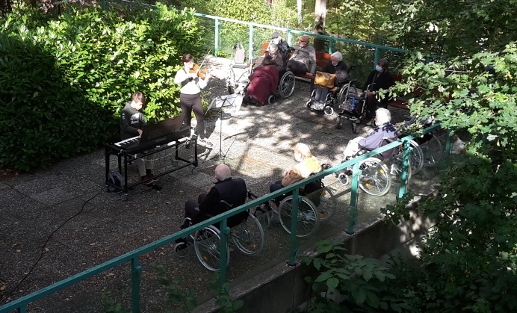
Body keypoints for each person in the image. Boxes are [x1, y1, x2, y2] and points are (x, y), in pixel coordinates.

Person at [179, 164, 248, 230]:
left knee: (189, 203)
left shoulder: (216, 190)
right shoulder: (241, 182)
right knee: (201, 196)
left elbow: (202, 208)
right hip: (238, 216)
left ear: (216, 177)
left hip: (221, 220)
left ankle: (188, 229)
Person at [174, 54, 213, 147]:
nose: (192, 64)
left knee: (200, 117)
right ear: (185, 63)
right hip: (185, 98)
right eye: (190, 62)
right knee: (186, 118)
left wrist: (207, 79)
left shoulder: (196, 71)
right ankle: (188, 137)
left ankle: (202, 138)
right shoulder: (181, 72)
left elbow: (202, 86)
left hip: (196, 97)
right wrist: (189, 75)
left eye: (193, 61)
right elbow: (176, 81)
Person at [120, 92, 156, 184]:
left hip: (139, 136)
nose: (140, 107)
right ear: (134, 101)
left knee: (152, 147)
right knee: (140, 152)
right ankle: (143, 175)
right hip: (128, 137)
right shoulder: (125, 111)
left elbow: (143, 123)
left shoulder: (139, 110)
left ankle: (149, 171)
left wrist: (147, 130)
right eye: (139, 104)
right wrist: (137, 130)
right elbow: (126, 127)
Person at [269, 143, 321, 208]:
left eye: (295, 153)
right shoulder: (314, 160)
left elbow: (284, 184)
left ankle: (275, 208)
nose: (294, 155)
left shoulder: (298, 169)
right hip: (310, 189)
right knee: (277, 183)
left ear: (299, 154)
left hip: (299, 193)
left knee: (273, 187)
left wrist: (287, 175)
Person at [361, 58, 395, 125]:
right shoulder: (374, 73)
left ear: (384, 67)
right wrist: (365, 90)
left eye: (380, 66)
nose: (378, 67)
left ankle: (373, 118)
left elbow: (386, 89)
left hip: (382, 95)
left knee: (371, 98)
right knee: (362, 97)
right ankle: (358, 114)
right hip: (371, 92)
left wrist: (374, 93)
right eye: (378, 65)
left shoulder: (387, 76)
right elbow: (367, 82)